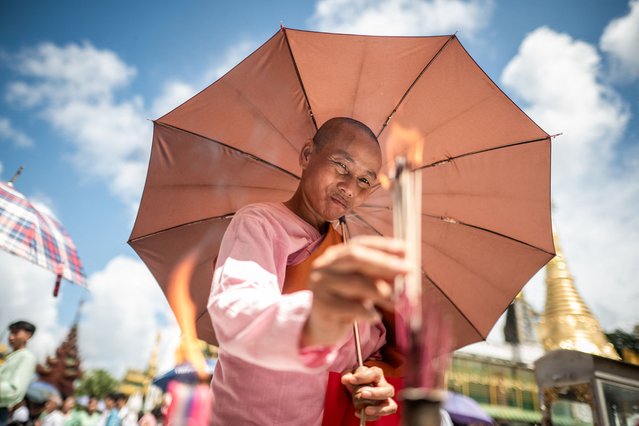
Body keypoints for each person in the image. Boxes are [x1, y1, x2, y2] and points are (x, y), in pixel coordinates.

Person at [208, 117, 408, 425]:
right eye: (342, 166)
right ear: (306, 155)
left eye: (365, 181)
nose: (349, 188)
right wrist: (317, 315)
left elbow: (366, 347)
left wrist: (369, 379)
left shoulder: (347, 253)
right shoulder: (260, 223)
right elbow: (237, 312)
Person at [0, 321, 37, 426]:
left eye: (15, 333)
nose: (11, 337)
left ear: (28, 335)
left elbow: (15, 391)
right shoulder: (9, 356)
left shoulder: (26, 357)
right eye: (10, 333)